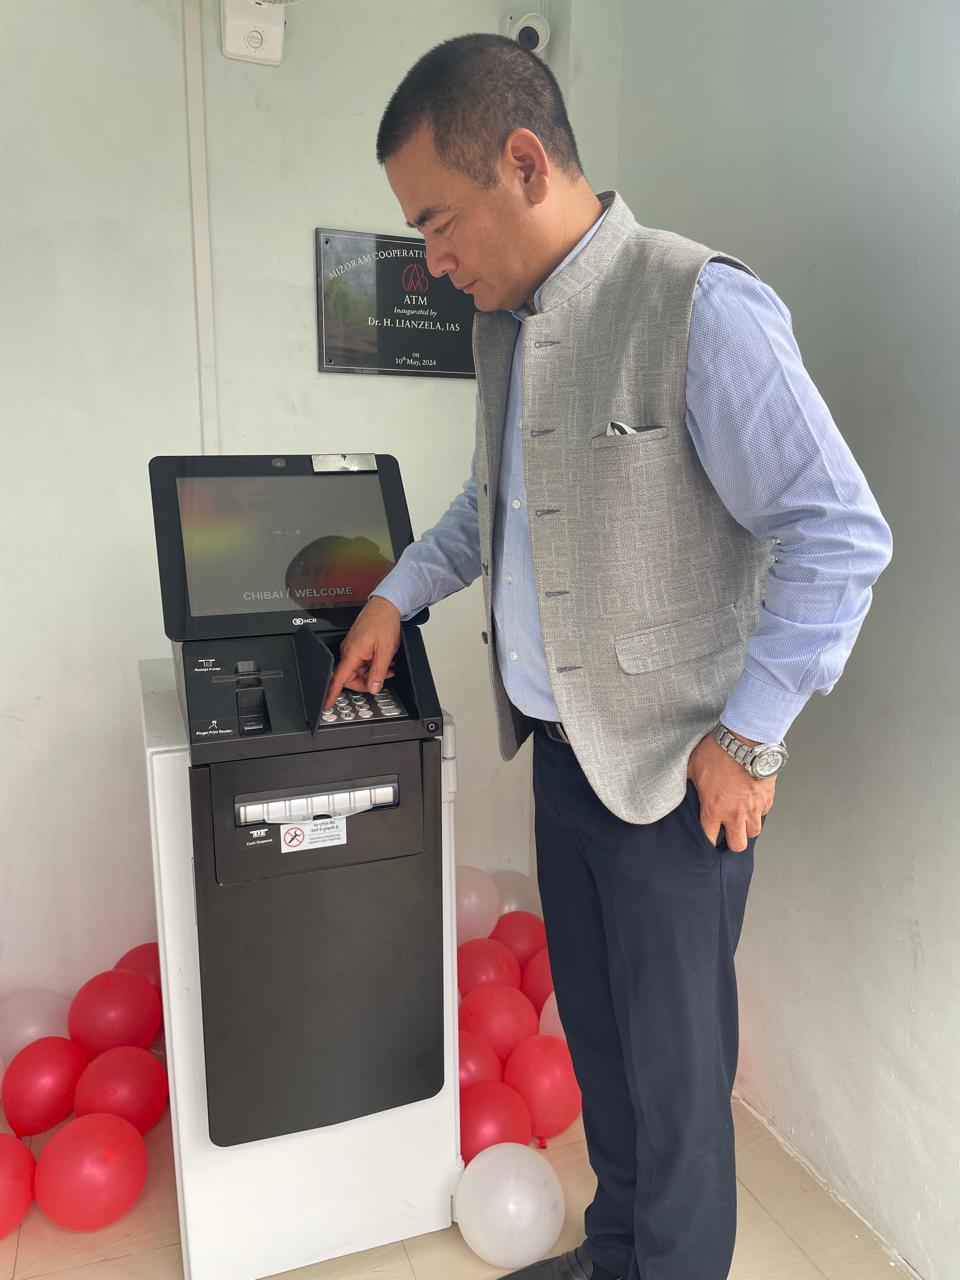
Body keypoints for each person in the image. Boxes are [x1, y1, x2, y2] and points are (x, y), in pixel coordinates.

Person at [323, 33, 892, 1280]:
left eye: (437, 222)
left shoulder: (699, 305)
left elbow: (840, 533)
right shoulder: (507, 329)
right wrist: (396, 595)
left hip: (680, 781)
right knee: (605, 1050)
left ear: (525, 163)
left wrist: (750, 735)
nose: (434, 260)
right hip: (564, 759)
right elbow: (495, 506)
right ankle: (617, 1251)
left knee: (680, 1085)